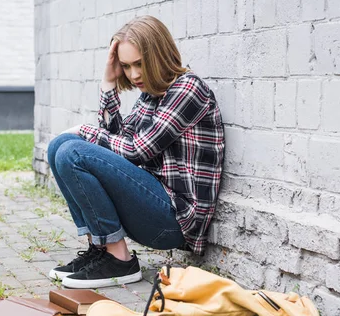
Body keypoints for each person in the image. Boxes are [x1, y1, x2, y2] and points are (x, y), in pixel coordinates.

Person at [47, 16, 224, 289]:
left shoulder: (188, 89)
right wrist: (108, 84)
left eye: (139, 64)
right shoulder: (151, 94)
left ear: (159, 54)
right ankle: (101, 249)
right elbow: (118, 140)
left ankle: (119, 260)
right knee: (58, 147)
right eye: (126, 66)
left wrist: (86, 131)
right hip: (153, 204)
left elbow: (137, 150)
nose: (133, 75)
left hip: (175, 221)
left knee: (72, 151)